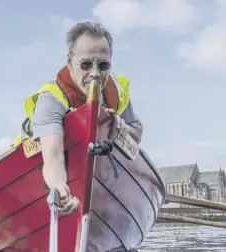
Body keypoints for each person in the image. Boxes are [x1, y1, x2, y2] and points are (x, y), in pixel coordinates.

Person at [12, 21, 143, 215]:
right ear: (70, 62)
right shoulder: (51, 100)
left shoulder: (116, 90)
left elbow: (136, 133)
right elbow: (53, 154)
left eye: (103, 65)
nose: (96, 74)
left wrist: (113, 126)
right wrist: (60, 188)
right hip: (35, 166)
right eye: (86, 64)